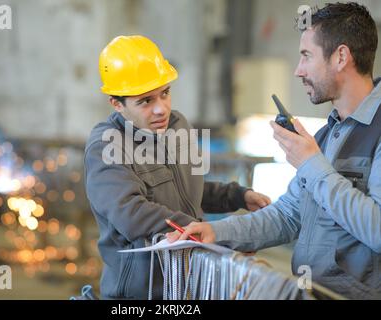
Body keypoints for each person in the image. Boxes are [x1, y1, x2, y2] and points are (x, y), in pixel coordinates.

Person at [168, 2, 381, 300]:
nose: (298, 70)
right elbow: (288, 216)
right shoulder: (326, 135)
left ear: (341, 57)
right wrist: (218, 232)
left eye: (306, 56)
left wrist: (311, 164)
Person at [84, 35, 271, 299]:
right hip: (142, 294)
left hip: (191, 282)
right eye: (145, 101)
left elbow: (189, 188)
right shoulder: (106, 146)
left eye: (165, 93)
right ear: (117, 104)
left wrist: (238, 196)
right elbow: (131, 214)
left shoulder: (177, 125)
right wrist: (211, 234)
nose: (161, 109)